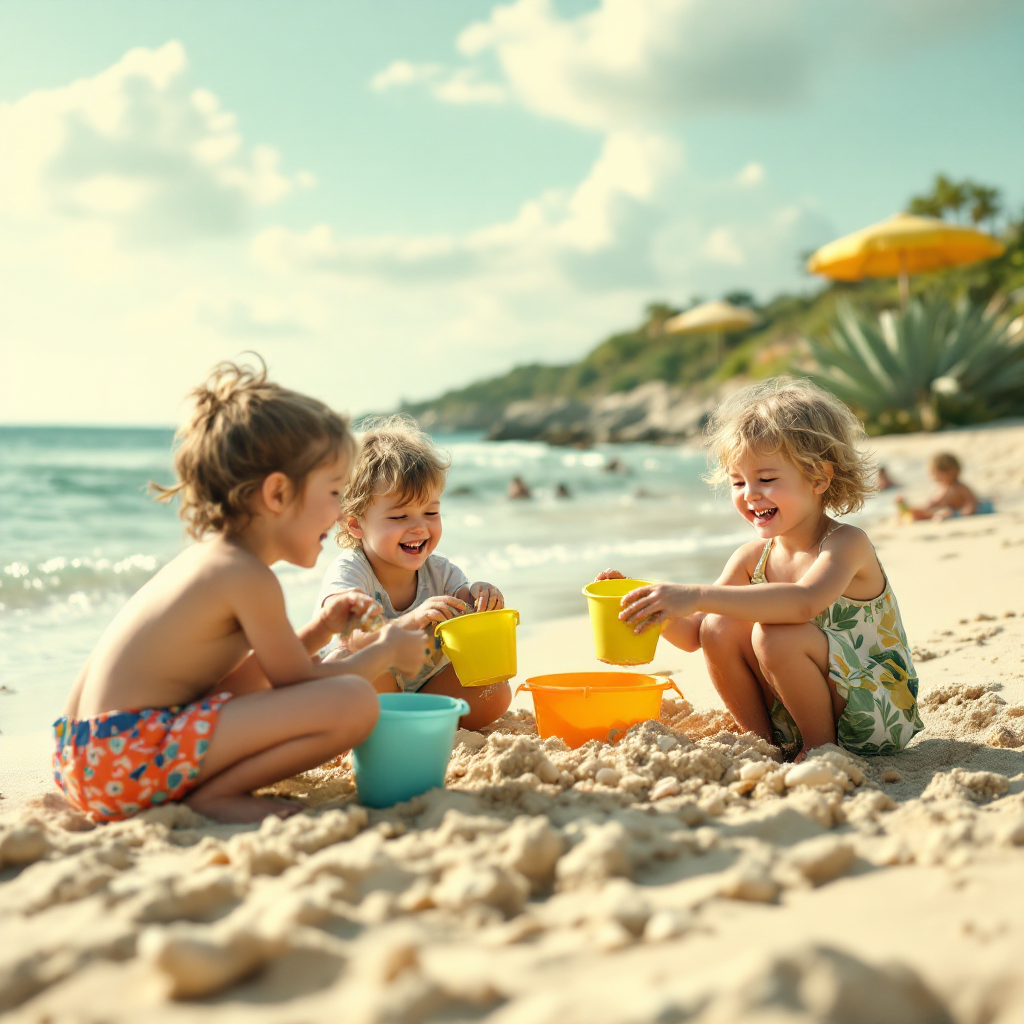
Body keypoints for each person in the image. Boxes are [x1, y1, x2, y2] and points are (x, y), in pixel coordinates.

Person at [54, 362, 433, 824]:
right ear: (277, 494)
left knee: (322, 682)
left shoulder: (213, 560)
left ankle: (204, 791)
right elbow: (303, 687)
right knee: (354, 701)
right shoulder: (247, 576)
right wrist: (387, 651)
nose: (338, 515)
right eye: (333, 493)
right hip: (125, 757)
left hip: (86, 756)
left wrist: (319, 629)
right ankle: (215, 797)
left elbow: (244, 683)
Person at [597, 378, 923, 761]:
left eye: (766, 479)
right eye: (738, 482)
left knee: (775, 635)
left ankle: (822, 750)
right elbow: (695, 636)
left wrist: (696, 593)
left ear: (819, 478)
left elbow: (803, 603)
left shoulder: (846, 544)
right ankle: (763, 743)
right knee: (717, 625)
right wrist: (652, 603)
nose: (750, 494)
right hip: (796, 713)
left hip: (875, 712)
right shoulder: (752, 557)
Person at [320, 418, 511, 730]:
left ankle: (414, 726)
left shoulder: (440, 571)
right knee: (351, 668)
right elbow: (353, 637)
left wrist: (480, 596)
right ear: (355, 524)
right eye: (399, 516)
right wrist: (410, 621)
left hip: (421, 689)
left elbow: (464, 607)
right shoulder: (351, 572)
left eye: (431, 513)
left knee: (495, 691)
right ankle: (376, 731)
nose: (420, 527)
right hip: (367, 688)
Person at [897, 452, 989, 521]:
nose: (932, 476)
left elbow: (972, 503)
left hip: (957, 512)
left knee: (942, 512)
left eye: (935, 472)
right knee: (925, 511)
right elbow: (932, 503)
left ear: (951, 472)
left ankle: (914, 513)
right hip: (944, 510)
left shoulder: (960, 487)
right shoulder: (941, 489)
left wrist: (967, 512)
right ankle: (908, 510)